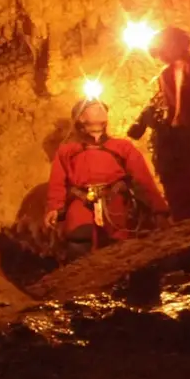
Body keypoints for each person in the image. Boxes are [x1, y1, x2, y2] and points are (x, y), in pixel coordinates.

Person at [46, 98, 170, 260]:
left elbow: (142, 178)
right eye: (93, 107)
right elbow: (57, 182)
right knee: (80, 241)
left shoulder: (122, 147)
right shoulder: (67, 151)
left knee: (120, 247)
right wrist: (54, 208)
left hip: (115, 205)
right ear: (80, 118)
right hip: (82, 205)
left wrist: (159, 210)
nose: (99, 108)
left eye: (102, 107)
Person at [129, 25, 190, 220]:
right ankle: (183, 214)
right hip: (175, 131)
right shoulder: (164, 75)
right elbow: (168, 104)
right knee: (175, 172)